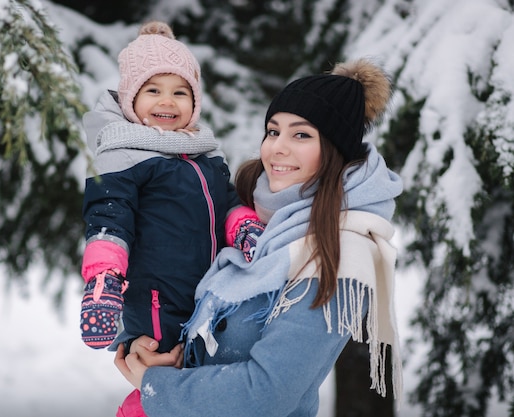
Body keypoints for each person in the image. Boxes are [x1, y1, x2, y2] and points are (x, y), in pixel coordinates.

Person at [114, 58, 404, 417]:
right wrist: (145, 345)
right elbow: (170, 278)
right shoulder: (251, 219)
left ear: (336, 150)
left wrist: (157, 384)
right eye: (272, 131)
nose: (277, 148)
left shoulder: (339, 251)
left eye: (301, 135)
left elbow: (266, 394)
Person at [79, 21, 263, 356]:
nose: (168, 101)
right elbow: (108, 219)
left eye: (180, 92)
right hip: (154, 301)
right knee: (160, 370)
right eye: (153, 91)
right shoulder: (123, 154)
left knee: (199, 377)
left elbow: (227, 200)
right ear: (130, 99)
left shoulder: (203, 152)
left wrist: (243, 225)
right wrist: (104, 279)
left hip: (207, 291)